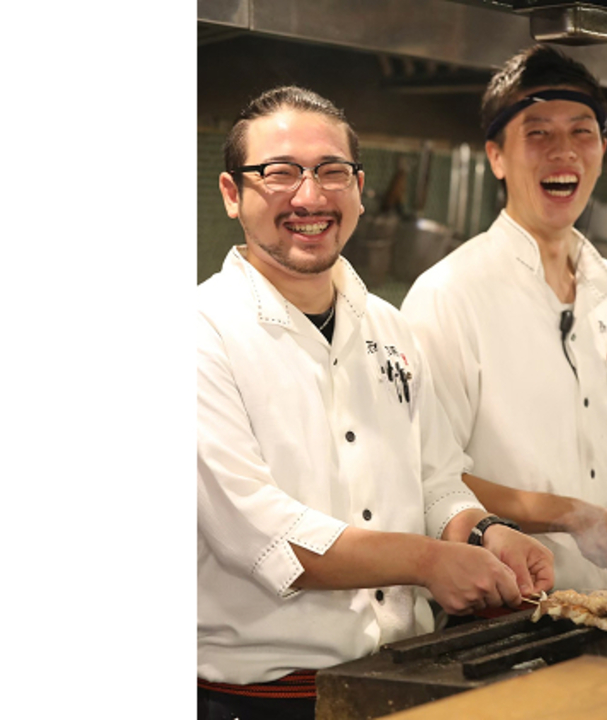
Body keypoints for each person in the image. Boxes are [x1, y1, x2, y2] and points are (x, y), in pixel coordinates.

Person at [197, 86, 555, 720]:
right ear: (232, 193)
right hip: (260, 701)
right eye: (279, 173)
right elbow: (259, 535)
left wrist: (485, 532)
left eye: (332, 172)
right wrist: (428, 561)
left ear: (360, 189)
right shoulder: (200, 332)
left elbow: (435, 480)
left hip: (404, 681)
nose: (310, 197)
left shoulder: (389, 328)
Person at [401, 46, 607, 592]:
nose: (564, 152)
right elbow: (428, 478)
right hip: (511, 608)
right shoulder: (448, 295)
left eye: (581, 132)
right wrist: (567, 513)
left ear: (602, 149)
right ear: (496, 157)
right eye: (537, 133)